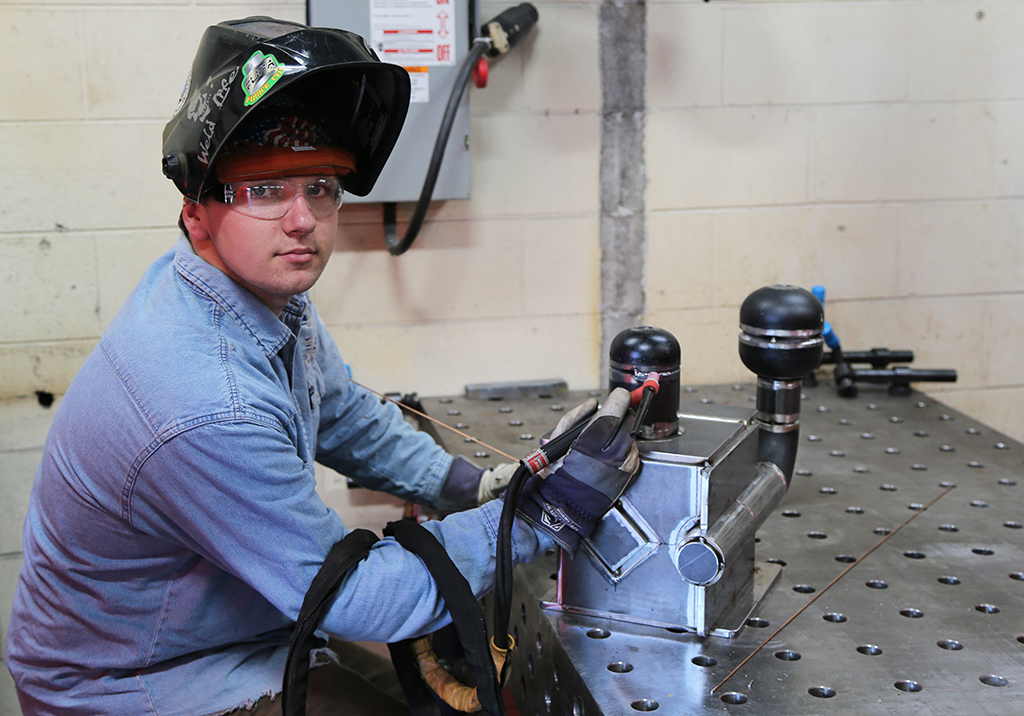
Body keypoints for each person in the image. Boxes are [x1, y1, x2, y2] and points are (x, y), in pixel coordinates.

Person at [4, 16, 639, 716]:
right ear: (196, 212)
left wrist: (481, 486)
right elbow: (358, 600)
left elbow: (342, 415)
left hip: (238, 636)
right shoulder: (204, 401)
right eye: (264, 190)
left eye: (321, 185)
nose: (303, 218)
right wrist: (538, 519)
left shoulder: (259, 298)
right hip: (134, 682)